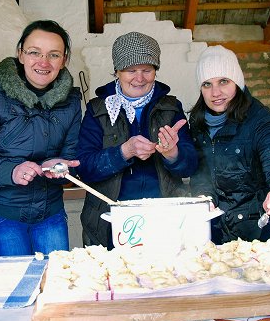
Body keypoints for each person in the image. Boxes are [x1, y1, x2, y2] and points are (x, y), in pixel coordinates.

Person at [0, 20, 81, 256]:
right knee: (13, 286)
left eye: (53, 55)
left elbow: (72, 159)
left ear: (63, 60)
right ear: (20, 54)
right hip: (4, 214)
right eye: (35, 52)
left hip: (50, 212)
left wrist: (58, 167)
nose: (43, 62)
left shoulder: (71, 101)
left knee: (56, 283)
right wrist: (11, 171)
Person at [78, 31, 198, 249]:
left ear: (156, 71)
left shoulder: (171, 108)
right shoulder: (97, 110)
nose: (139, 78)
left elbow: (190, 166)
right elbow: (84, 168)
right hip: (111, 221)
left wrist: (174, 154)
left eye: (147, 70)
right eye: (131, 70)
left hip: (165, 219)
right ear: (117, 71)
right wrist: (123, 152)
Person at [188, 46, 270, 245]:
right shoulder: (198, 121)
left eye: (223, 81)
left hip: (260, 230)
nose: (215, 92)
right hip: (217, 230)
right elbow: (202, 172)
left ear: (238, 82)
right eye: (207, 84)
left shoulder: (259, 119)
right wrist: (205, 196)